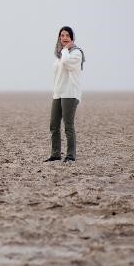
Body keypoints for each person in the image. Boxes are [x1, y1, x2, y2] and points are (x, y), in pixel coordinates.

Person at [45, 26, 84, 163]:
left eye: (67, 35)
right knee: (53, 124)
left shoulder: (76, 53)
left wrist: (66, 49)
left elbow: (67, 63)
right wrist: (55, 91)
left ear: (72, 38)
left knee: (68, 125)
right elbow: (58, 73)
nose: (64, 38)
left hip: (70, 93)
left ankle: (70, 156)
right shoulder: (60, 56)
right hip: (59, 93)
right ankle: (55, 154)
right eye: (62, 35)